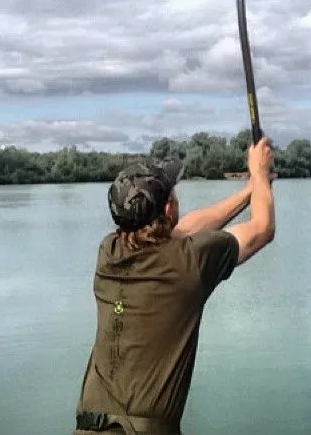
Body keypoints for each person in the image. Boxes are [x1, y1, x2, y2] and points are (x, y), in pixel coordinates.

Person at [74, 138, 276, 434]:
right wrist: (259, 172)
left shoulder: (109, 253)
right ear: (169, 208)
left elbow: (186, 229)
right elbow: (261, 229)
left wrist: (253, 190)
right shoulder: (191, 262)